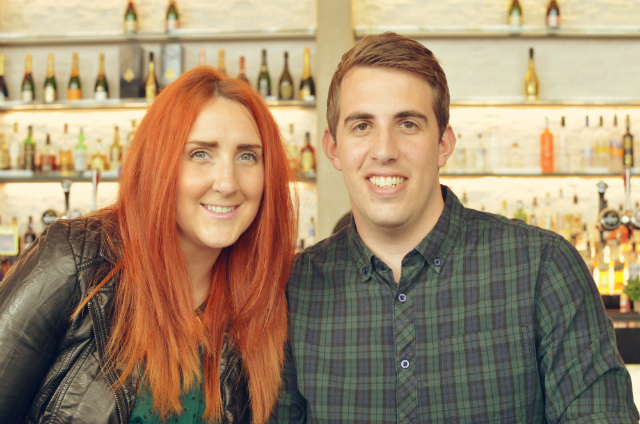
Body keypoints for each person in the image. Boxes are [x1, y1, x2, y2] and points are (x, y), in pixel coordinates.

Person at [271, 32, 639, 423]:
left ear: (444, 144)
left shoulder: (543, 267)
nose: (384, 150)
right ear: (333, 149)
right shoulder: (294, 288)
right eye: (362, 125)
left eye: (408, 124)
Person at [0, 66, 298, 424]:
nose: (227, 183)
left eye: (247, 156)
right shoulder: (73, 258)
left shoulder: (264, 296)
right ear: (159, 163)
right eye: (200, 153)